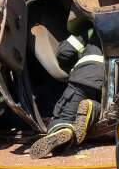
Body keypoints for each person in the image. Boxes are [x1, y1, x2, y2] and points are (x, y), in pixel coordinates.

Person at [29, 31, 104, 159]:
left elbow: (64, 53)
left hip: (86, 77)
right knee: (105, 109)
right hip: (116, 83)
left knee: (65, 114)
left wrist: (69, 67)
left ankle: (61, 130)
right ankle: (92, 109)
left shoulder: (91, 29)